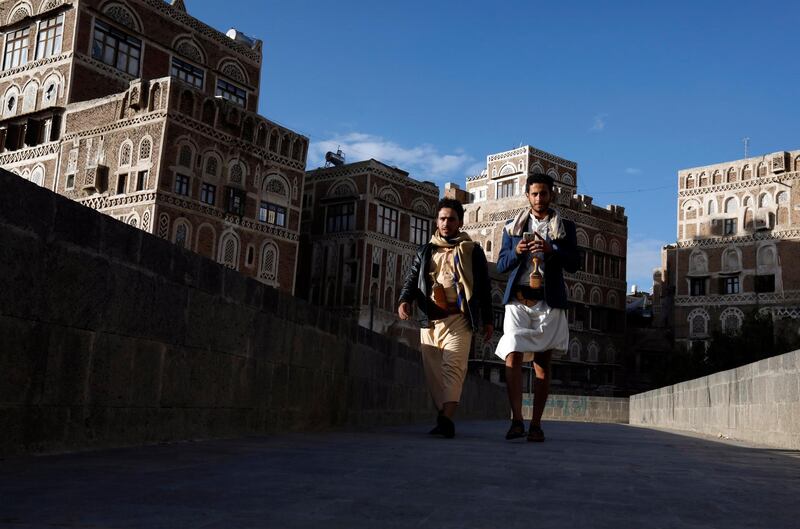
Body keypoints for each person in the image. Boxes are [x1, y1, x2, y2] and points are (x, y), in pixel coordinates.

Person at [398, 198, 493, 438]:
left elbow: (483, 288)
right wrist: (403, 300)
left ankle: (447, 420)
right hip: (430, 320)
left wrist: (488, 320)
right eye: (442, 218)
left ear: (460, 222)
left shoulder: (472, 251)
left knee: (454, 367)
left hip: (459, 319)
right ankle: (443, 417)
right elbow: (412, 279)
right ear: (436, 221)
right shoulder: (426, 249)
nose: (446, 223)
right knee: (433, 374)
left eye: (451, 219)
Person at [495, 173, 578, 442]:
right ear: (527, 195)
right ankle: (516, 420)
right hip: (518, 300)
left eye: (544, 193)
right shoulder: (512, 226)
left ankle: (536, 424)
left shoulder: (565, 227)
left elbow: (574, 262)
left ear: (551, 195)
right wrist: (517, 250)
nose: (539, 198)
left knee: (542, 363)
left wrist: (550, 248)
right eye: (534, 194)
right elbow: (501, 265)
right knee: (513, 353)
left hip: (548, 301)